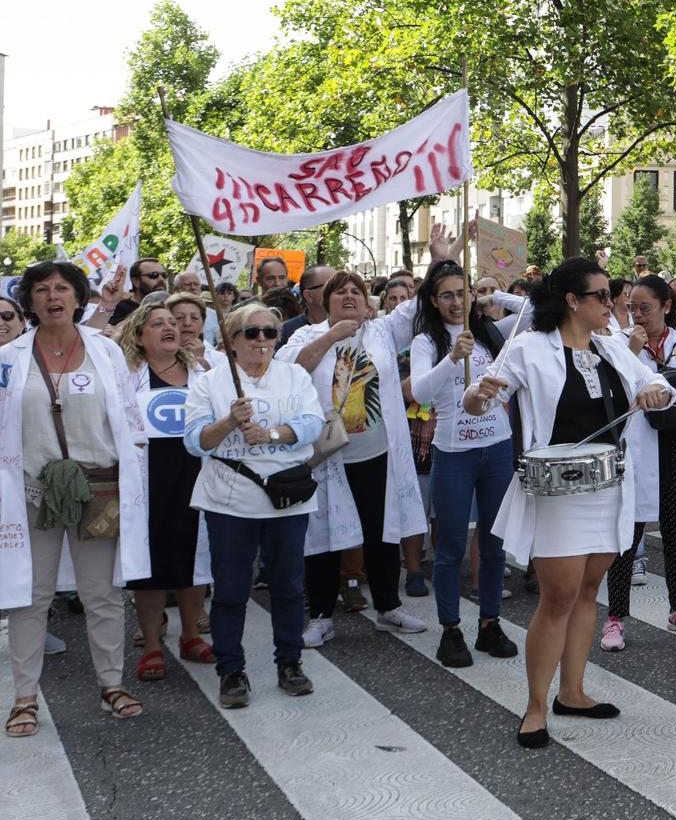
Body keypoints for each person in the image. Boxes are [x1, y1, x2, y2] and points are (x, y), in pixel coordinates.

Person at [464, 257, 676, 747]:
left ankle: (573, 692)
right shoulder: (528, 348)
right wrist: (481, 394)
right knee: (558, 597)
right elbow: (480, 400)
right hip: (557, 491)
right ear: (572, 301)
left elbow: (655, 382)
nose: (614, 303)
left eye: (612, 296)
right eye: (602, 296)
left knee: (589, 589)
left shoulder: (611, 346)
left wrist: (655, 397)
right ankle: (536, 706)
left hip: (606, 487)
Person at [281, 227, 453, 647]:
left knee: (381, 532)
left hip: (377, 452)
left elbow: (415, 304)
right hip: (327, 456)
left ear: (367, 300)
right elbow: (291, 373)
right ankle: (320, 614)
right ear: (324, 301)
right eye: (340, 293)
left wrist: (437, 258)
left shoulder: (381, 332)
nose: (349, 297)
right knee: (322, 537)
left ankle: (387, 607)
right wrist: (330, 336)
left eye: (356, 291)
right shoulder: (306, 335)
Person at [2, 261, 151, 737]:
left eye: (62, 288)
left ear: (77, 297)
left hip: (98, 489)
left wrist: (134, 479)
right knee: (29, 596)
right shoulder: (8, 356)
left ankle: (112, 684)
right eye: (41, 289)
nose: (52, 296)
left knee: (102, 595)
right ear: (29, 301)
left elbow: (130, 420)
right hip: (32, 492)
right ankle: (25, 696)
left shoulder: (106, 351)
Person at [183, 302, 325, 709]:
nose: (262, 340)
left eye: (270, 332)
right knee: (229, 588)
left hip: (286, 496)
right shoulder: (209, 383)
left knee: (288, 585)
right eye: (252, 332)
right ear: (231, 341)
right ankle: (231, 668)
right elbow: (194, 441)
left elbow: (313, 424)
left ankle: (290, 662)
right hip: (230, 498)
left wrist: (276, 434)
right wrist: (228, 421)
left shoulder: (294, 374)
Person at [408, 261, 525, 667]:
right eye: (447, 295)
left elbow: (534, 312)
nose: (456, 302)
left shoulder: (492, 331)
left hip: (496, 449)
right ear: (433, 301)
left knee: (493, 544)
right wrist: (452, 359)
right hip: (454, 453)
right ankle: (451, 629)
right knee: (451, 546)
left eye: (463, 292)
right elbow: (421, 393)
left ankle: (490, 623)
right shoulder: (427, 341)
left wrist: (494, 298)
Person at [603, 275, 676, 648]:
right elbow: (614, 392)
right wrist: (632, 352)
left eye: (645, 307)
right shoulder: (617, 342)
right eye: (631, 306)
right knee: (627, 535)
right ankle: (616, 617)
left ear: (666, 307)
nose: (636, 314)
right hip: (638, 448)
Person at [114, 303, 213, 681]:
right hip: (148, 478)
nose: (170, 327)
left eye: (172, 323)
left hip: (194, 473)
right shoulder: (128, 374)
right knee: (150, 563)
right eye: (158, 324)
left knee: (193, 555)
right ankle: (152, 645)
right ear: (140, 336)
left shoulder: (202, 370)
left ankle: (191, 636)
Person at [278, 265, 334, 348]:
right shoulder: (285, 331)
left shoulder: (354, 327)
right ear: (309, 295)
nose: (340, 291)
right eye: (330, 286)